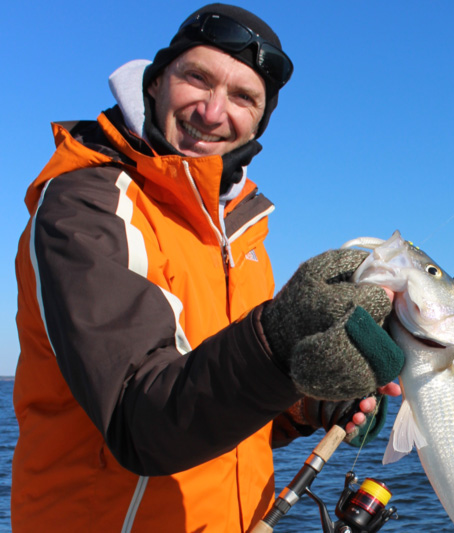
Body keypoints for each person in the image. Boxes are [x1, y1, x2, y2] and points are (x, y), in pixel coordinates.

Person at [11, 4, 404, 532]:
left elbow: (225, 402)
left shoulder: (240, 232)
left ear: (259, 123)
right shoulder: (86, 204)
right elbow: (141, 417)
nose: (214, 111)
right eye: (197, 78)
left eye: (244, 97)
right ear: (155, 84)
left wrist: (315, 401)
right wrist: (280, 341)